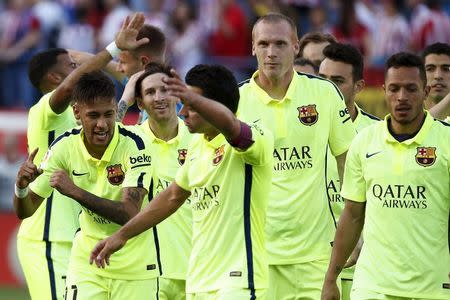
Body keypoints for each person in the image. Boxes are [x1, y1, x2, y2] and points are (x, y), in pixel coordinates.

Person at [90, 64, 274, 299]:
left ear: (213, 105)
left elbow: (231, 126)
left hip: (238, 281)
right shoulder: (197, 145)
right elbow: (172, 197)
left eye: (191, 105)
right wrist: (122, 235)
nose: (183, 111)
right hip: (198, 281)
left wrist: (194, 100)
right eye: (184, 104)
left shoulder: (256, 138)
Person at [16, 12, 150, 300]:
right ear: (55, 77)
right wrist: (113, 49)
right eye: (74, 66)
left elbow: (111, 116)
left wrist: (121, 73)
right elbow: (70, 83)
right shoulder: (44, 111)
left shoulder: (85, 115)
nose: (82, 68)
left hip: (77, 239)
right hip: (48, 239)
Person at [238, 13, 356, 299]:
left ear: (295, 47)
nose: (271, 53)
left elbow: (350, 165)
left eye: (280, 44)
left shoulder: (324, 93)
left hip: (317, 254)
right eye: (263, 44)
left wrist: (358, 228)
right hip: (256, 254)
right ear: (252, 48)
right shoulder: (236, 99)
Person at [321, 52, 450, 300]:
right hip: (373, 285)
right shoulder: (364, 141)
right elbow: (352, 214)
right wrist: (330, 278)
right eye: (394, 89)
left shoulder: (445, 140)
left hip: (432, 286)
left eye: (411, 89)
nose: (402, 97)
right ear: (384, 91)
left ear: (425, 91)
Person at [318, 42, 380, 300]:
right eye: (322, 79)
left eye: (338, 81)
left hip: (365, 269)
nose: (328, 88)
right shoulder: (301, 127)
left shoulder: (377, 135)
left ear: (359, 87)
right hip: (311, 266)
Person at [133, 62, 194, 299]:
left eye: (165, 89)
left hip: (197, 268)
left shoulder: (199, 137)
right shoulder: (130, 142)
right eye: (150, 92)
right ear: (140, 103)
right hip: (147, 272)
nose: (158, 97)